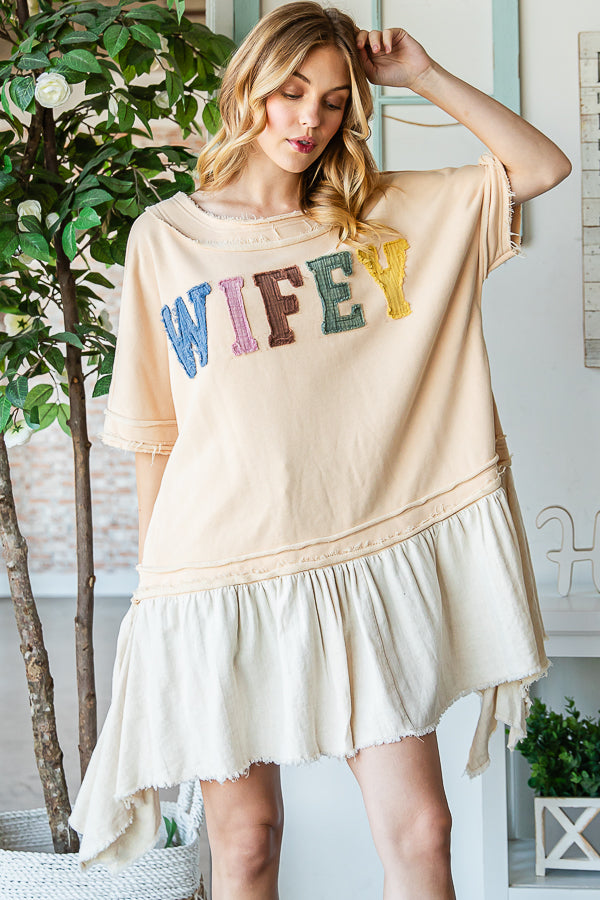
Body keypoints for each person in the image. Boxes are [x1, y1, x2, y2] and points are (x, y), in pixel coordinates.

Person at [68, 3, 571, 899]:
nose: (309, 120)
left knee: (422, 832)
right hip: (218, 574)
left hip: (360, 562)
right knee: (248, 843)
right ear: (249, 89)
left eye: (335, 101)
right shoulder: (166, 239)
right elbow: (156, 436)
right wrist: (156, 599)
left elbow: (541, 167)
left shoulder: (381, 215)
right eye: (292, 92)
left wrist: (421, 75)